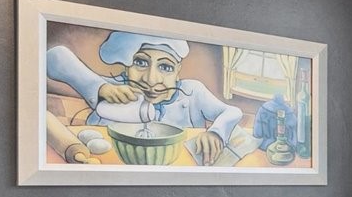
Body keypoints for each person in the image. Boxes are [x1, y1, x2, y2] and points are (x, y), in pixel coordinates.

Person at [45, 33, 242, 166]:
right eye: (140, 62)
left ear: (178, 71)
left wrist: (217, 133)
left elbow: (233, 111)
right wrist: (100, 88)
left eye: (165, 67)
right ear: (126, 65)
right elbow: (54, 58)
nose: (151, 80)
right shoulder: (114, 90)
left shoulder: (191, 93)